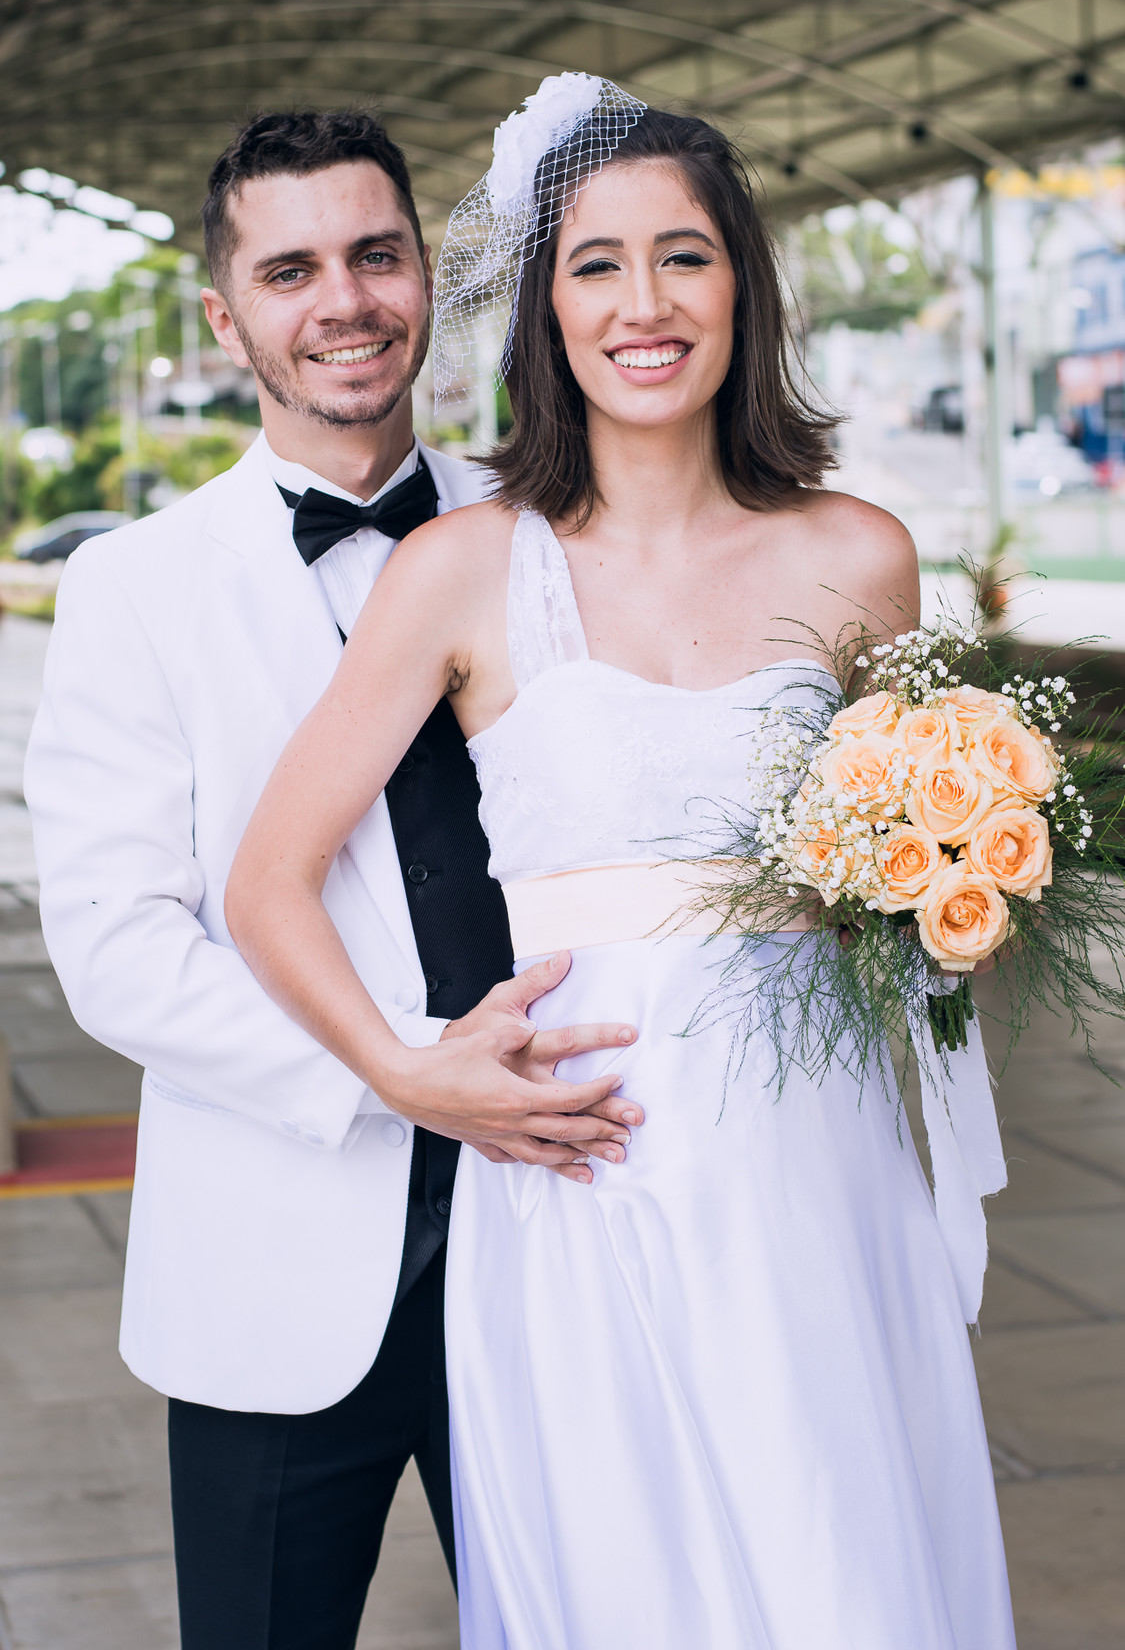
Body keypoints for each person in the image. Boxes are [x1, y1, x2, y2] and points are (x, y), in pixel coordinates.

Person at [225, 79, 1017, 1648]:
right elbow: (266, 881)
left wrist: (971, 898)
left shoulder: (859, 554)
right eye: (595, 265)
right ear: (542, 307)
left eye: (684, 257)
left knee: (839, 1569)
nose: (642, 305)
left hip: (820, 1169)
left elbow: (926, 898)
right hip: (584, 1174)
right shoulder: (462, 570)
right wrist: (407, 1070)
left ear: (741, 288)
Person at [24, 108, 643, 1650]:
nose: (345, 300)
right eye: (291, 269)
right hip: (276, 1259)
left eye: (375, 255)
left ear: (425, 275)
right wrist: (405, 1077)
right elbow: (117, 950)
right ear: (229, 316)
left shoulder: (562, 536)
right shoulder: (134, 588)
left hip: (572, 1212)